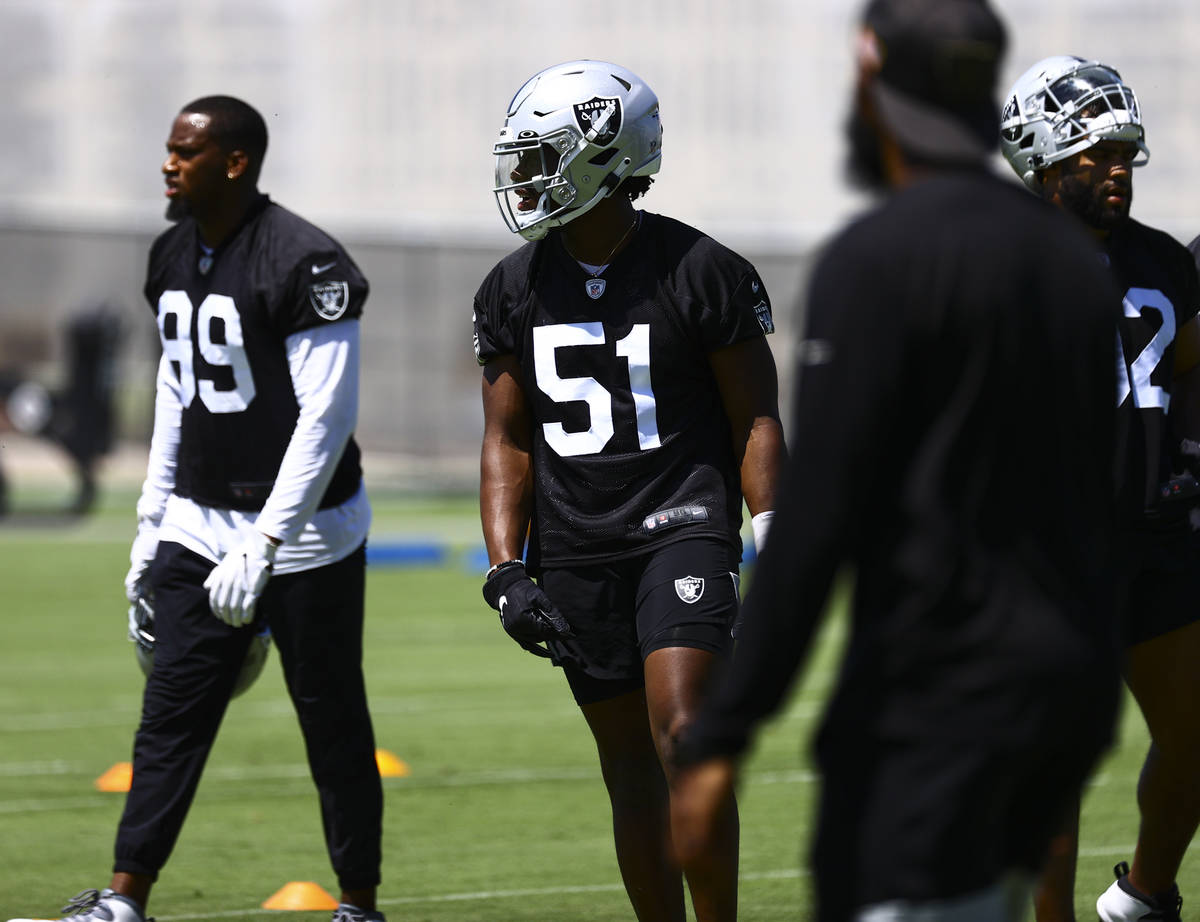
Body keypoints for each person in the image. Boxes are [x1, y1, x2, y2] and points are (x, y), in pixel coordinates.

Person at [672, 3, 1127, 921]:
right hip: (1063, 691)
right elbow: (1095, 495)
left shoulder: (875, 260)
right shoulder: (1073, 264)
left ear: (874, 83)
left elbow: (819, 522)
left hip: (933, 703)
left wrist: (721, 735)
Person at [8, 96, 384, 922]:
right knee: (171, 712)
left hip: (309, 531)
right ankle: (124, 898)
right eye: (170, 148)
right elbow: (178, 387)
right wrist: (154, 518)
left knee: (332, 720)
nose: (169, 163)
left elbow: (326, 417)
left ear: (235, 163)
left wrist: (268, 541)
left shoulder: (305, 261)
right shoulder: (173, 250)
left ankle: (359, 902)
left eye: (186, 151)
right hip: (201, 519)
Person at [473, 60, 786, 922]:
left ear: (604, 156)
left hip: (682, 524)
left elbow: (754, 417)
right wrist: (507, 569)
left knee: (686, 736)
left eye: (543, 156)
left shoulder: (702, 268)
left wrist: (772, 525)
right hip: (577, 544)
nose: (528, 177)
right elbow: (507, 442)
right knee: (628, 771)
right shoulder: (510, 288)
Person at [998, 57, 1200, 922]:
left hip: (1156, 535)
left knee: (1194, 739)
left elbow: (1182, 367)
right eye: (1096, 153)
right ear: (1046, 157)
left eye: (1124, 150)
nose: (1118, 168)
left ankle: (1145, 896)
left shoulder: (1159, 259)